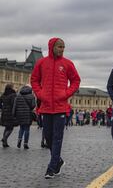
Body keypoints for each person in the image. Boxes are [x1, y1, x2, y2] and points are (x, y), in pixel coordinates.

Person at [31, 37, 81, 179]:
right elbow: (34, 79)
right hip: (46, 107)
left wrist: (66, 93)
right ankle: (58, 161)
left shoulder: (67, 64)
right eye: (59, 46)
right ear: (52, 46)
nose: (62, 49)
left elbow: (76, 80)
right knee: (48, 138)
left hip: (60, 107)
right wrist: (40, 94)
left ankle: (51, 168)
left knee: (57, 138)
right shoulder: (41, 63)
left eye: (63, 47)